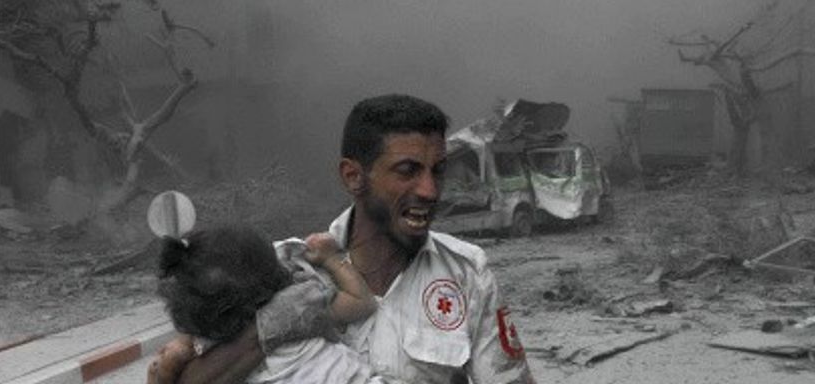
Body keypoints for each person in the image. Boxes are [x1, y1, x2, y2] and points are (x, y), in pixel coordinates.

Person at [151, 94, 535, 383]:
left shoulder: (467, 273)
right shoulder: (277, 269)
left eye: (438, 171)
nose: (430, 190)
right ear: (353, 176)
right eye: (408, 171)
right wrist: (270, 326)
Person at [147, 225, 382, 383]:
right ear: (273, 272)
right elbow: (362, 302)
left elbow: (161, 369)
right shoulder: (301, 303)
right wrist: (331, 259)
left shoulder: (207, 344)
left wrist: (174, 357)